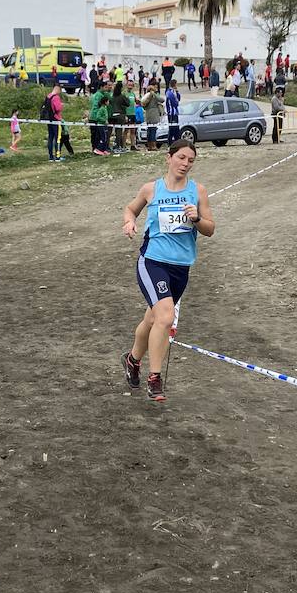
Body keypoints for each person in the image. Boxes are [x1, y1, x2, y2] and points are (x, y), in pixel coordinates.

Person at [120, 141, 216, 403]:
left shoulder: (198, 191)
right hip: (152, 261)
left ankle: (132, 360)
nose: (185, 164)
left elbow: (210, 229)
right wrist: (129, 223)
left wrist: (196, 218)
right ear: (169, 158)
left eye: (191, 160)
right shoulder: (152, 189)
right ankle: (155, 378)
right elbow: (131, 209)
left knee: (152, 320)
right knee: (165, 317)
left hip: (181, 267)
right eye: (181, 158)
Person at [42, 87, 63, 162]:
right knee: (57, 138)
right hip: (56, 119)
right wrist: (61, 105)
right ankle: (58, 156)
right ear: (58, 90)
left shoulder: (48, 96)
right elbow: (58, 108)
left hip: (49, 119)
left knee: (50, 138)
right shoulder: (56, 97)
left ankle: (51, 156)